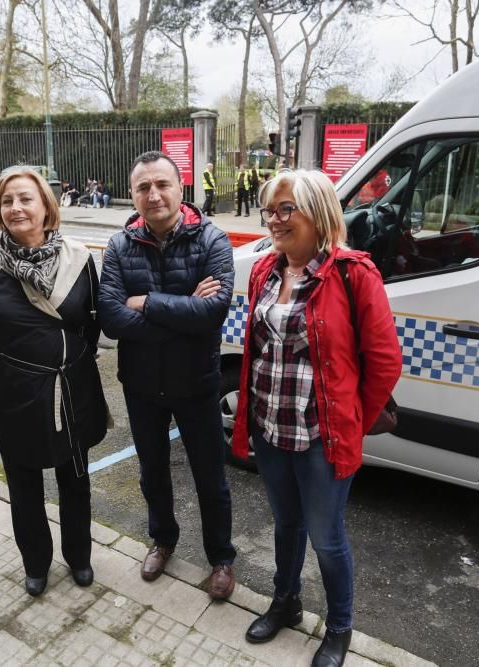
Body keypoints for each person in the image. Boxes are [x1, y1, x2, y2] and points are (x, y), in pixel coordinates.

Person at [230, 169, 401, 667]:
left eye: (287, 210)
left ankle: (340, 628)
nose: (275, 221)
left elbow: (386, 359)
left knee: (326, 537)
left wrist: (352, 420)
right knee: (286, 524)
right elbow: (257, 347)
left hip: (323, 437)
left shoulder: (353, 273)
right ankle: (287, 603)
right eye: (270, 211)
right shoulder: (265, 269)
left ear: (319, 213)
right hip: (270, 427)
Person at [98, 150, 237, 600]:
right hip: (141, 385)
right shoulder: (120, 246)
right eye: (143, 187)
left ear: (181, 188)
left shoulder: (213, 241)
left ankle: (221, 557)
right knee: (152, 472)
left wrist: (146, 302)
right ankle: (163, 540)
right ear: (134, 194)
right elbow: (111, 319)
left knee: (210, 477)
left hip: (196, 383)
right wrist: (182, 311)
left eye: (162, 184)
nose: (153, 194)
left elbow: (212, 313)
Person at [0, 167, 110, 597]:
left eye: (26, 198)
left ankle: (79, 556)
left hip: (72, 388)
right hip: (15, 393)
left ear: (47, 207)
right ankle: (36, 563)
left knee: (76, 479)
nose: (16, 208)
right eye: (7, 201)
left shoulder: (79, 259)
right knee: (24, 487)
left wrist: (64, 362)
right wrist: (27, 367)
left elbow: (91, 324)